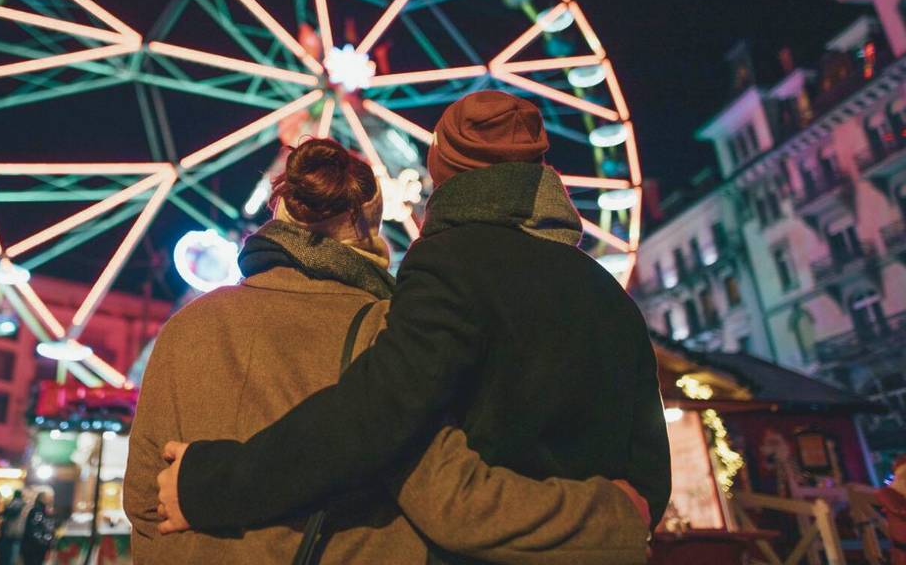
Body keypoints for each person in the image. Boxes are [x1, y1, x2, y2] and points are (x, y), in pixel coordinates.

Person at [158, 93, 672, 556]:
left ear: (441, 170)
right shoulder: (611, 297)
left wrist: (216, 485)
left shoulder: (450, 265)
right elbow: (649, 484)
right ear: (542, 169)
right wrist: (608, 520)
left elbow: (374, 415)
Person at [19, 492, 54, 565]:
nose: (51, 499)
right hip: (34, 548)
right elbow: (34, 529)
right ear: (44, 499)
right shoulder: (37, 511)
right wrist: (44, 543)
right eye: (49, 497)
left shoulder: (40, 511)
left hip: (33, 547)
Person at [0, 492, 25, 565]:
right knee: (11, 558)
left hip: (8, 534)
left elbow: (6, 515)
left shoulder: (11, 504)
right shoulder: (21, 504)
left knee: (5, 557)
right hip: (15, 535)